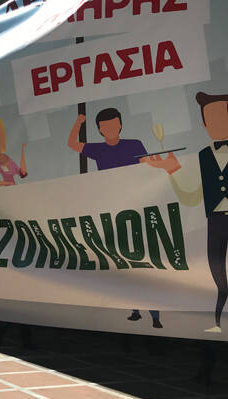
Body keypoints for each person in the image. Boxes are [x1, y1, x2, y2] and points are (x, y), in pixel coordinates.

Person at [68, 108, 162, 327]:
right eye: (105, 126)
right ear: (100, 129)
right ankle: (135, 309)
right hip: (114, 210)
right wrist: (79, 121)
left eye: (113, 124)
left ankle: (155, 315)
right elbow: (72, 143)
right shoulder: (98, 149)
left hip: (137, 208)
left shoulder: (134, 144)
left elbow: (146, 166)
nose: (110, 128)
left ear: (120, 124)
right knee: (125, 264)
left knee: (146, 263)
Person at [146, 91, 228, 333]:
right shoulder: (203, 156)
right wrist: (171, 170)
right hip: (215, 223)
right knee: (217, 277)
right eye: (211, 119)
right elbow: (191, 196)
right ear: (204, 124)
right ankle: (218, 324)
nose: (218, 123)